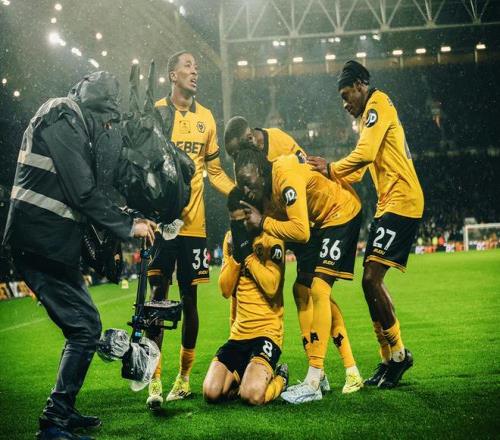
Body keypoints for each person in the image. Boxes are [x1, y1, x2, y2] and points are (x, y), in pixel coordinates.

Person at [2, 71, 156, 440]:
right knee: (85, 328)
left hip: (50, 245)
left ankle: (61, 410)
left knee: (84, 325)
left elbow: (84, 191)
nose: (108, 128)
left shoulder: (73, 121)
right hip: (39, 242)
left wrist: (128, 216)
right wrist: (128, 226)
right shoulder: (62, 115)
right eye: (107, 120)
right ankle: (54, 423)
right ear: (96, 108)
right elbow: (82, 192)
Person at [224, 117, 363, 395]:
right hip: (311, 221)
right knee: (301, 290)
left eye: (249, 182)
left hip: (337, 213)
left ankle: (316, 378)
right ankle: (337, 372)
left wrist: (264, 222)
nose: (247, 189)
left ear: (260, 170)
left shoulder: (282, 168)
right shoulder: (261, 182)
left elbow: (300, 230)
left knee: (319, 289)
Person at [307, 60, 424, 388]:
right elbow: (359, 170)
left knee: (372, 279)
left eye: (347, 95)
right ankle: (387, 358)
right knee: (369, 282)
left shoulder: (378, 104)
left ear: (361, 85)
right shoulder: (366, 117)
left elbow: (366, 154)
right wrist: (325, 178)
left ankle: (399, 355)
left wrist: (331, 168)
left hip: (403, 200)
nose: (345, 104)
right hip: (388, 203)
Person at [146, 51, 234, 408]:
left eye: (196, 68)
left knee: (189, 300)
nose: (195, 72)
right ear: (172, 75)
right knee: (156, 298)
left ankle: (183, 379)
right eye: (188, 66)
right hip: (162, 225)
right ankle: (154, 381)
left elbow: (215, 172)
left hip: (194, 226)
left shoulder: (206, 118)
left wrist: (240, 194)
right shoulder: (157, 112)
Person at [203, 188, 288, 405]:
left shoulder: (271, 238)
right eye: (234, 222)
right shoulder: (230, 239)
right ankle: (244, 375)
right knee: (211, 392)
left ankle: (280, 379)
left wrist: (248, 256)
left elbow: (272, 287)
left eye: (242, 221)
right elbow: (225, 290)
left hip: (267, 332)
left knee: (251, 395)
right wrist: (236, 258)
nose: (239, 227)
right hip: (239, 334)